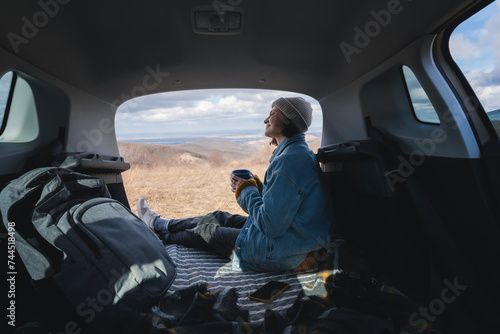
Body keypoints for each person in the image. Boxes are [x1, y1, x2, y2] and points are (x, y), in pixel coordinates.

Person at [138, 97, 335, 272]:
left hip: (281, 251)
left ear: (288, 120)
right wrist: (257, 187)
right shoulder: (295, 153)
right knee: (219, 217)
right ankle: (159, 223)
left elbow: (270, 225)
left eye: (272, 113)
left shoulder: (291, 160)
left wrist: (246, 190)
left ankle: (161, 236)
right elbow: (283, 207)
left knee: (206, 231)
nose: (266, 120)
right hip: (291, 237)